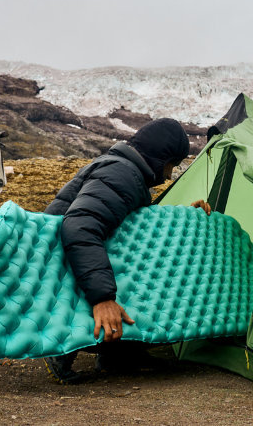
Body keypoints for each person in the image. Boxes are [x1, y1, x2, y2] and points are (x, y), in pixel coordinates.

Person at [43, 118, 210, 382]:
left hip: (66, 262)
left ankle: (119, 352)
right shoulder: (122, 174)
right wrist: (102, 298)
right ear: (159, 156)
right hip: (62, 271)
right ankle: (63, 343)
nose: (168, 176)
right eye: (171, 166)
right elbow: (81, 227)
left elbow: (130, 233)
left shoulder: (122, 170)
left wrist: (186, 217)